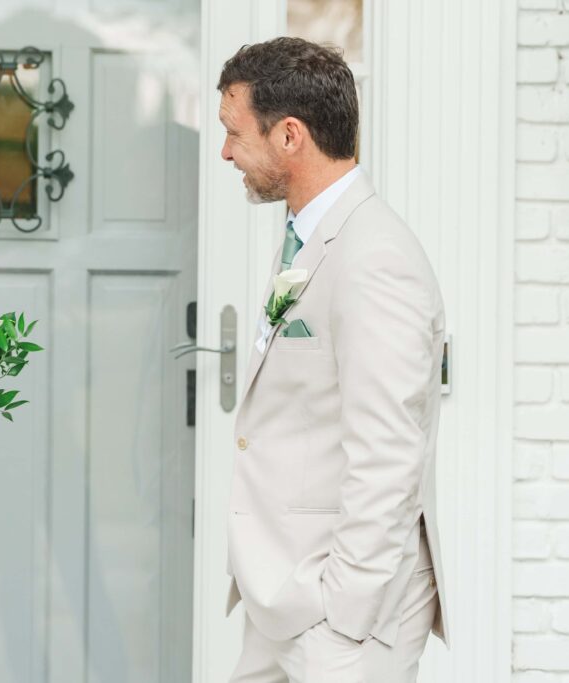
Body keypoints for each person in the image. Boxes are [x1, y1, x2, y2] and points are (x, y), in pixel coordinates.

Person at [217, 38, 449, 682]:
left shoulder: (376, 259)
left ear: (290, 135)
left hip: (341, 611)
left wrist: (344, 608)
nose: (226, 152)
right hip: (285, 591)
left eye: (235, 133)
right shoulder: (309, 234)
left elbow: (389, 453)